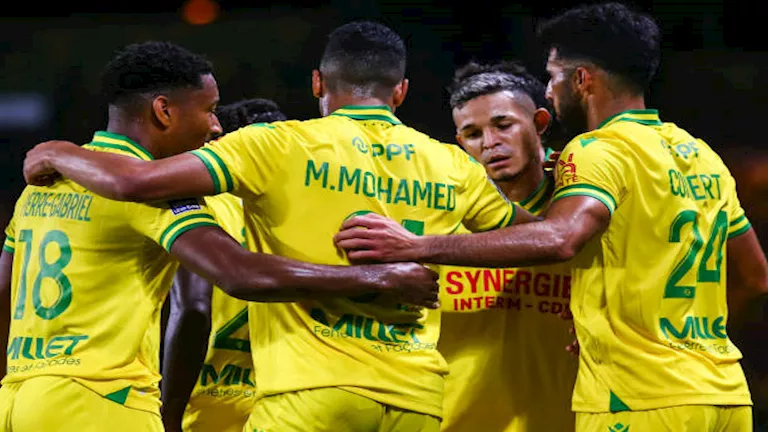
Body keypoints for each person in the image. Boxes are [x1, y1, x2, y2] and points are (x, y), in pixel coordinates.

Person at [21, 21, 530, 431]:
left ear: (318, 83)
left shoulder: (277, 145)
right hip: (418, 398)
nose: (215, 124)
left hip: (307, 395)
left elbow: (136, 183)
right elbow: (540, 237)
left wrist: (58, 151)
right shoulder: (452, 164)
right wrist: (425, 247)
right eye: (210, 110)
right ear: (400, 91)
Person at [333, 3, 768, 431]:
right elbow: (755, 276)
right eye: (472, 132)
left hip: (639, 397)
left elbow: (560, 238)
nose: (549, 89)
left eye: (554, 76)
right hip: (723, 391)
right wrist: (647, 331)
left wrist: (415, 246)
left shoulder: (594, 154)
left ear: (581, 80)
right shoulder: (703, 157)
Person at [438, 60, 576, 431]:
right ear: (460, 143)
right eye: (472, 133)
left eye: (503, 126)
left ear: (540, 123)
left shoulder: (581, 211)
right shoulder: (441, 213)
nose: (490, 143)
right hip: (454, 422)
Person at [161, 98, 289, 432]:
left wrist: (169, 412)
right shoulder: (308, 209)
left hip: (207, 403)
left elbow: (193, 309)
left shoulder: (199, 208)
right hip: (288, 401)